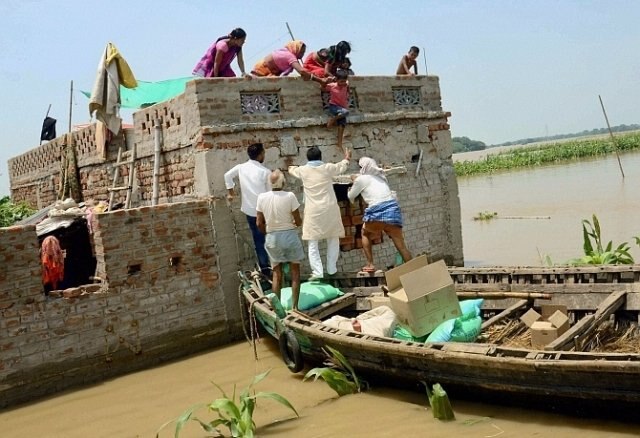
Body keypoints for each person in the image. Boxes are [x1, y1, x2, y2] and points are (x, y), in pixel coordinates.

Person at [288, 146, 351, 279]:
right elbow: (341, 166)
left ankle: (317, 272)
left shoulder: (303, 170)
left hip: (313, 210)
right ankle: (332, 269)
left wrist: (291, 166)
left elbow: (292, 170)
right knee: (333, 238)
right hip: (329, 208)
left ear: (308, 158)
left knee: (312, 241)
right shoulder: (327, 168)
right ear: (320, 157)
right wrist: (346, 158)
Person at [348, 157, 412, 273]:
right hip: (393, 211)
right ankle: (414, 270)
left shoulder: (361, 179)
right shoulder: (380, 177)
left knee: (365, 232)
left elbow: (351, 196)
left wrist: (354, 182)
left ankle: (370, 264)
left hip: (378, 211)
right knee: (401, 246)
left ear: (363, 168)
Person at [256, 170, 305, 310]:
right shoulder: (290, 196)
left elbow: (259, 223)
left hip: (272, 238)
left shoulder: (261, 198)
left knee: (277, 273)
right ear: (283, 182)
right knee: (295, 272)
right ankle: (295, 307)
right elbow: (298, 220)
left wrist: (269, 232)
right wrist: (294, 224)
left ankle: (277, 309)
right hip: (289, 236)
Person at [224, 143, 272, 275]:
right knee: (270, 239)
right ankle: (274, 267)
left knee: (258, 240)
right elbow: (270, 195)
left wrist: (231, 192)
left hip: (250, 211)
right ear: (260, 154)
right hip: (263, 212)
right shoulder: (265, 172)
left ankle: (265, 268)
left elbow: (227, 176)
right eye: (263, 153)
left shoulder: (241, 168)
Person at [252, 40, 328, 85]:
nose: (303, 54)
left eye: (304, 52)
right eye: (301, 52)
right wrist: (320, 80)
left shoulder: (286, 53)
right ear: (296, 49)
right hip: (262, 72)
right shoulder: (289, 56)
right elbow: (302, 71)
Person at [323, 69, 350, 153]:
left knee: (342, 125)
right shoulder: (332, 85)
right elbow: (322, 88)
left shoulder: (346, 84)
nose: (343, 83)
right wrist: (328, 80)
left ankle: (339, 142)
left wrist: (344, 81)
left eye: (344, 81)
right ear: (337, 80)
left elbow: (347, 81)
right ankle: (333, 119)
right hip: (334, 106)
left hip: (341, 108)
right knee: (346, 112)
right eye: (341, 81)